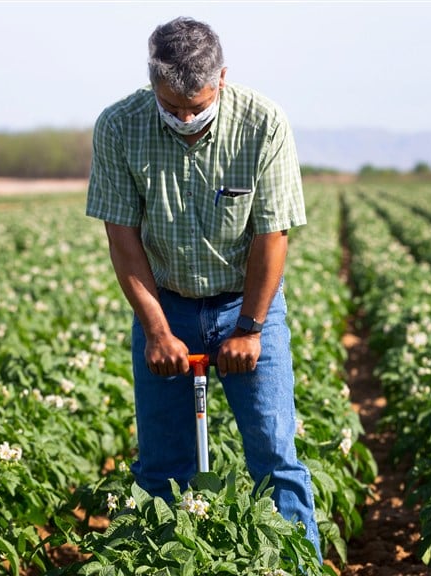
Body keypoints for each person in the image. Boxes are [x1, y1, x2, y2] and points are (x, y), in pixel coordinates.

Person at [85, 16, 320, 559]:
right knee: (163, 467)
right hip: (167, 303)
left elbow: (273, 235)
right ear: (153, 83)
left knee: (275, 457)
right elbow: (123, 239)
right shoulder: (119, 126)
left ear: (222, 78)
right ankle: (163, 564)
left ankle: (295, 566)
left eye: (199, 105)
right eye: (173, 106)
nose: (186, 118)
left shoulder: (262, 122)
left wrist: (251, 329)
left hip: (247, 303)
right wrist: (157, 331)